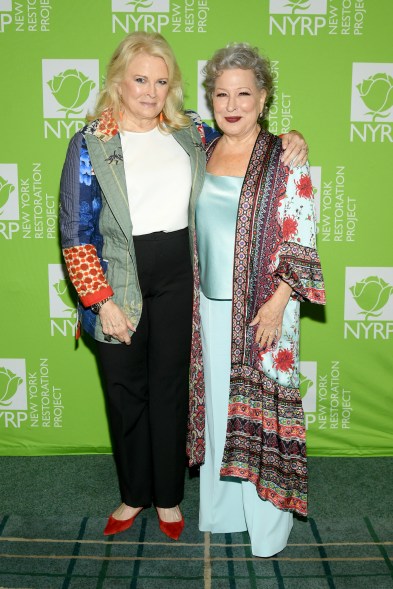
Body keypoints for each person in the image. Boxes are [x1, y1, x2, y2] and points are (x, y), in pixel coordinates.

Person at [59, 32, 308, 541]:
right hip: (118, 280)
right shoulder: (90, 142)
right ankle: (133, 495)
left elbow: (248, 140)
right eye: (140, 79)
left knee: (173, 389)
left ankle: (170, 499)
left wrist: (292, 136)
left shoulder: (190, 130)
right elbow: (74, 230)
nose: (150, 91)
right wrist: (100, 301)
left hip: (179, 276)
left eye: (161, 80)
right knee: (126, 393)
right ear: (118, 81)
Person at [187, 43, 326, 557]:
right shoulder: (198, 148)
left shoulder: (285, 155)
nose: (232, 103)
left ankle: (268, 528)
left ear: (263, 98)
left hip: (267, 309)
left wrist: (277, 302)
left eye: (244, 93)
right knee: (222, 411)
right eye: (221, 93)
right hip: (207, 306)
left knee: (262, 413)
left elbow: (302, 235)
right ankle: (223, 512)